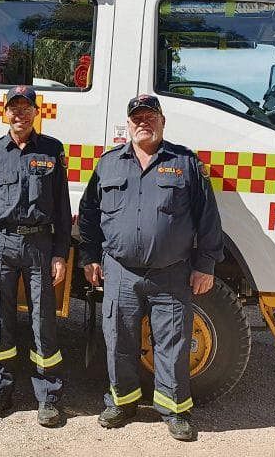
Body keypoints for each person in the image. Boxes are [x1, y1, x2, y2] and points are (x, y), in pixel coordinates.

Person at [77, 93, 224, 441]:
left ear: (162, 121)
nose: (144, 122)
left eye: (150, 117)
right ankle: (122, 402)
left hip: (171, 272)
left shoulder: (186, 162)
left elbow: (208, 219)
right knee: (119, 340)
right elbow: (89, 216)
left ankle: (174, 409)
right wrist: (90, 257)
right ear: (128, 124)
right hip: (120, 272)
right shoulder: (109, 163)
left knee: (172, 343)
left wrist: (205, 265)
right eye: (137, 118)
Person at [0, 85, 72, 427]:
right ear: (6, 113)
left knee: (43, 322)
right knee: (0, 320)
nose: (19, 114)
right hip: (0, 245)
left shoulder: (52, 150)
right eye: (13, 108)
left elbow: (61, 208)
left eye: (25, 108)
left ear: (34, 112)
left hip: (39, 246)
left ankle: (49, 397)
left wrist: (60, 253)